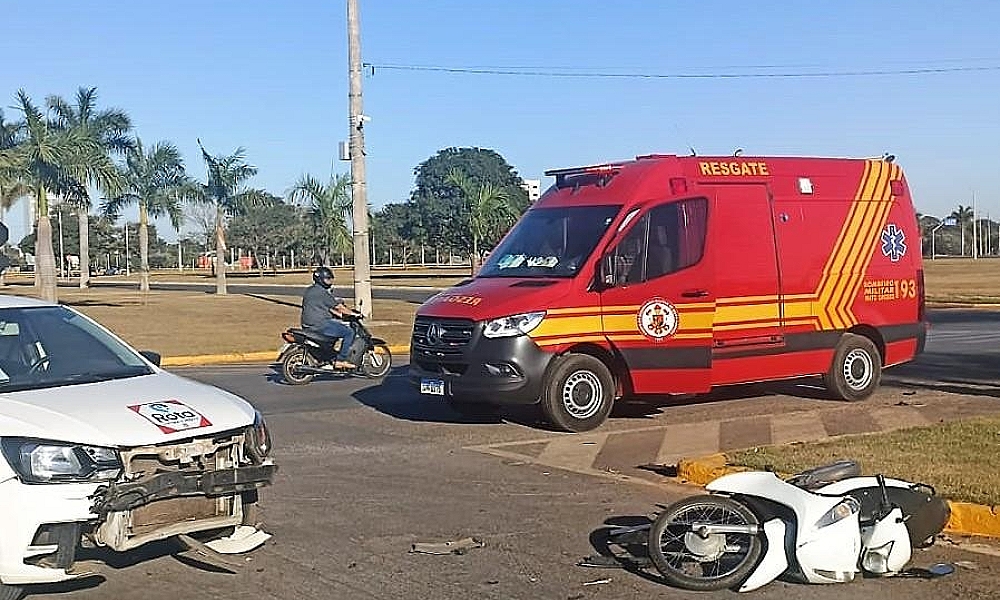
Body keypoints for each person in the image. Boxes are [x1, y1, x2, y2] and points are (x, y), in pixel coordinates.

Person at [301, 266, 357, 370]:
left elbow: (325, 307)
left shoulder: (310, 290)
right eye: (327, 279)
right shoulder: (322, 292)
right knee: (348, 332)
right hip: (320, 324)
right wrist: (354, 314)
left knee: (335, 331)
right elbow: (339, 307)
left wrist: (340, 316)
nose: (329, 282)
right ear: (321, 279)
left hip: (308, 324)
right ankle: (340, 360)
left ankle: (328, 357)